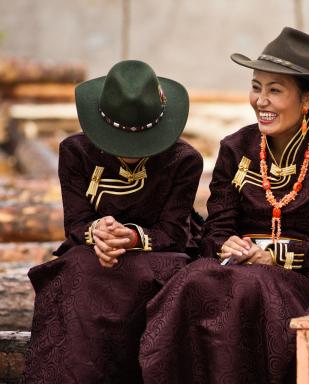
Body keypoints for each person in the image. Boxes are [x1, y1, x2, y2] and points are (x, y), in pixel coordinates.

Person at [139, 27, 309, 383]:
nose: (261, 100)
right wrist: (225, 244)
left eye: (275, 90)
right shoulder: (236, 147)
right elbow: (215, 231)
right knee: (190, 282)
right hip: (235, 266)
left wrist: (274, 255)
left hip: (300, 278)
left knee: (245, 290)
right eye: (256, 87)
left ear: (307, 99)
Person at [21, 60, 203, 383]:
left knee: (171, 281)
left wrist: (131, 238)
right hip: (92, 252)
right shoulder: (75, 153)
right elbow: (76, 221)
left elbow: (174, 232)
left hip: (160, 253)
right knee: (74, 273)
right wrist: (99, 232)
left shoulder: (184, 161)